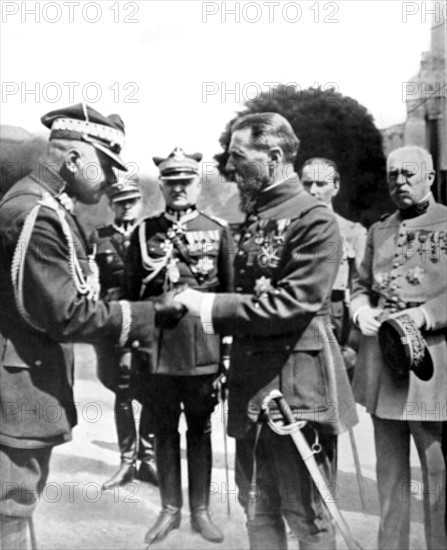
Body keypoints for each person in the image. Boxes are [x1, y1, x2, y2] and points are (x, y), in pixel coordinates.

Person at [0, 104, 184, 549]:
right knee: (11, 506)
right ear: (74, 158)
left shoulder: (41, 205)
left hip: (26, 374)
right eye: (103, 165)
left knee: (17, 505)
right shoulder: (35, 214)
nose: (105, 180)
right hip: (16, 382)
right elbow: (66, 314)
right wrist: (150, 313)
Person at [175, 113, 358, 550]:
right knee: (257, 511)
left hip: (297, 390)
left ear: (274, 156)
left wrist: (207, 304)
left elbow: (292, 304)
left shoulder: (315, 219)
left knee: (307, 518)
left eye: (240, 157)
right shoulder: (259, 216)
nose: (232, 167)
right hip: (252, 390)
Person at [123, 147, 234, 546]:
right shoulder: (142, 232)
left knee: (200, 428)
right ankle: (170, 509)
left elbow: (228, 298)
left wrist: (226, 357)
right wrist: (127, 345)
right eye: (171, 182)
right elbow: (129, 295)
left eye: (186, 181)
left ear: (198, 184)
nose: (179, 188)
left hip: (201, 347)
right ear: (163, 186)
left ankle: (200, 511)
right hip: (157, 350)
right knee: (164, 428)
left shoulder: (218, 230)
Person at [351, 146, 447, 549]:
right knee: (390, 479)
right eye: (392, 175)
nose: (399, 182)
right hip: (383, 368)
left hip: (431, 365)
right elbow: (359, 286)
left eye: (408, 174)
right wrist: (360, 311)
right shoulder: (379, 230)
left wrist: (425, 315)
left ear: (429, 176)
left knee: (438, 476)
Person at [90, 180, 157, 489]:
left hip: (148, 322)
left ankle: (148, 459)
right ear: (111, 206)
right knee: (122, 388)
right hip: (115, 322)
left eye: (132, 200)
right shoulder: (99, 238)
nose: (126, 206)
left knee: (152, 388)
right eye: (120, 202)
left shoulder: (152, 234)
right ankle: (127, 461)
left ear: (140, 202)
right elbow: (91, 284)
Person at [301, 157, 367, 376]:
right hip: (298, 312)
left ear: (336, 187)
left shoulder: (352, 232)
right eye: (307, 183)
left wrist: (355, 343)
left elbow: (363, 287)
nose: (312, 190)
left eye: (321, 184)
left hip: (335, 315)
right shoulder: (289, 231)